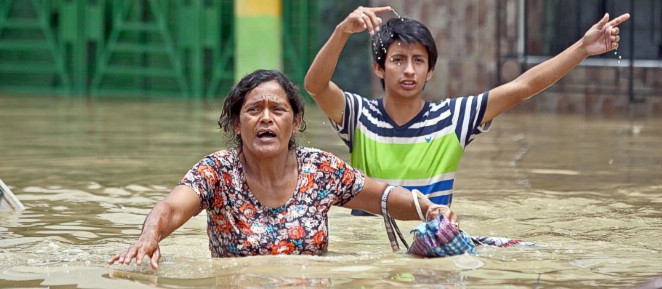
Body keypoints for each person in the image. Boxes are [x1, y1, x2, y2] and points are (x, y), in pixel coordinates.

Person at [108, 69, 458, 270]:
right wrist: (149, 237)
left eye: (277, 110)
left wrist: (427, 208)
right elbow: (170, 207)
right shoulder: (217, 172)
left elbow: (379, 195)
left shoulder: (320, 170)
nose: (265, 119)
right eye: (253, 110)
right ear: (235, 123)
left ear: (297, 120)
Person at [304, 6, 630, 210]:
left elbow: (523, 87)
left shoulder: (453, 118)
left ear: (430, 71)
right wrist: (342, 31)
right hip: (367, 245)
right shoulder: (360, 115)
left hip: (434, 239)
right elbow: (315, 86)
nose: (408, 70)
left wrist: (582, 48)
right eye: (398, 60)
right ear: (379, 68)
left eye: (419, 61)